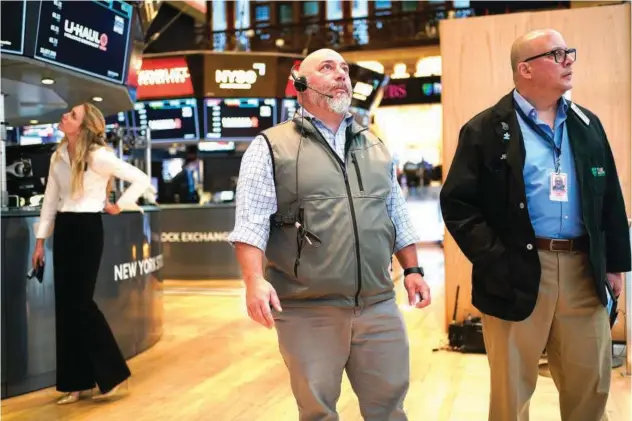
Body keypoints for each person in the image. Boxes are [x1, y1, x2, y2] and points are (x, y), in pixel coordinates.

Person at [228, 48, 431, 421]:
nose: (341, 74)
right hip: (308, 309)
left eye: (344, 68)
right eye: (327, 67)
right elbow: (251, 222)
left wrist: (414, 270)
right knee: (317, 411)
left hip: (378, 303)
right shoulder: (270, 147)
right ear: (299, 83)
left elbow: (395, 212)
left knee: (390, 408)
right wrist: (253, 280)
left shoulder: (375, 145)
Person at [440, 29, 631, 421]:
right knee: (511, 396)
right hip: (517, 271)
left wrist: (614, 263)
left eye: (569, 53)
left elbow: (609, 195)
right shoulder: (485, 130)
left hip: (583, 271)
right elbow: (458, 204)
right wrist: (496, 259)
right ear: (525, 69)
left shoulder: (586, 124)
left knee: (590, 390)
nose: (569, 60)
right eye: (557, 54)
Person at [31, 103, 154, 405]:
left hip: (87, 228)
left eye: (72, 116)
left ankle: (113, 372)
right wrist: (39, 242)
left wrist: (119, 204)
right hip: (65, 228)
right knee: (67, 307)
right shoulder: (58, 155)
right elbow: (50, 200)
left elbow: (140, 178)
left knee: (80, 303)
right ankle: (76, 383)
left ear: (84, 127)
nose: (64, 116)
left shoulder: (98, 157)